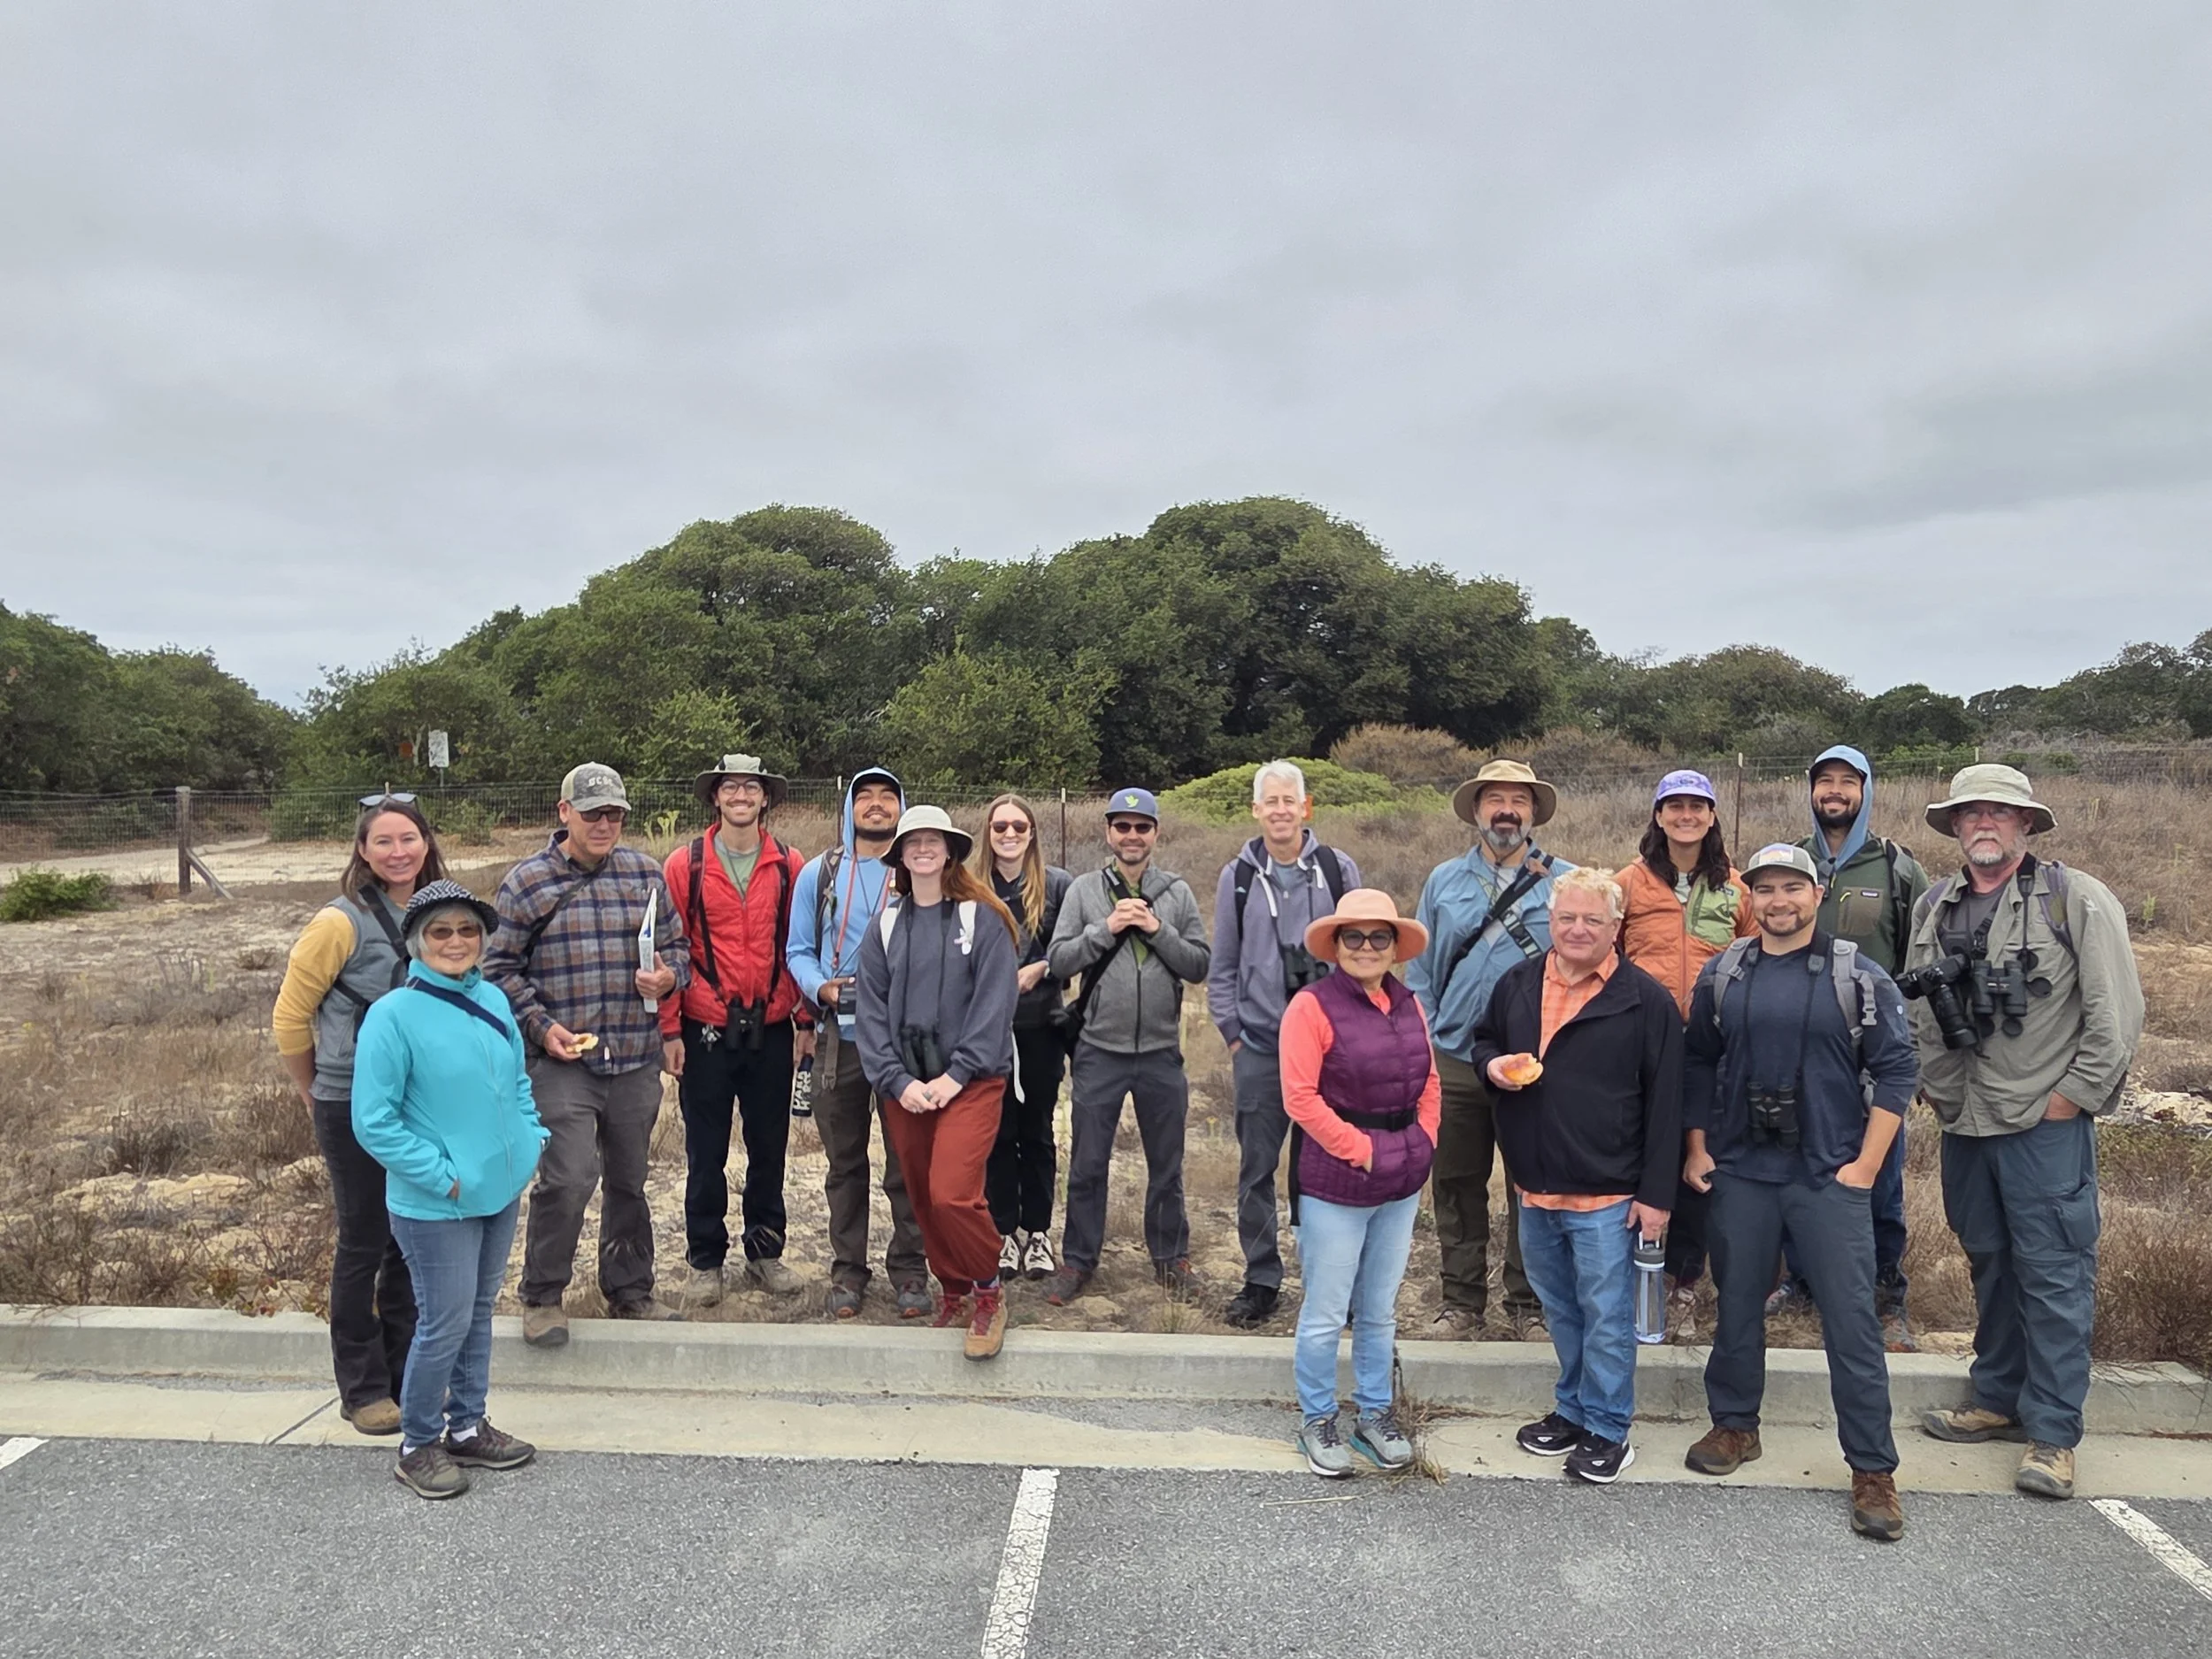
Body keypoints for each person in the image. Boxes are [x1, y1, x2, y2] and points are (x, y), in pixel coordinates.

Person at [1908, 764, 2144, 1502]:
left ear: (2026, 825)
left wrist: (2075, 1096)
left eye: (2000, 813)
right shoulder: (1934, 905)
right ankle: (1995, 1396)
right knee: (1991, 1262)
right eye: (1970, 812)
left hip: (2043, 1122)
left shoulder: (2074, 899)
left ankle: (2053, 1433)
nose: (1985, 822)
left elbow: (2116, 1009)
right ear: (1954, 826)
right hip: (1966, 1121)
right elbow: (1919, 1007)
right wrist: (1929, 1084)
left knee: (2054, 1272)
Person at [1680, 844, 1918, 1541]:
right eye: (1766, 889)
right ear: (1750, 898)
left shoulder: (1859, 975)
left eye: (1792, 887)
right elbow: (1699, 1060)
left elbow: (1899, 1071)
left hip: (1828, 1175)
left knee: (1849, 1320)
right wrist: (1698, 1147)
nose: (1779, 900)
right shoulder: (1723, 973)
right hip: (1745, 1174)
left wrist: (1867, 1168)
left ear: (1817, 894)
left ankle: (1873, 1467)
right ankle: (1734, 1425)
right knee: (1737, 1308)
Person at [1475, 867, 1682, 1486]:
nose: (1578, 928)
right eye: (1567, 917)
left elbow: (1667, 1101)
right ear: (1550, 919)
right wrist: (1494, 1066)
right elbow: (1482, 1039)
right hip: (1535, 1184)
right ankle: (1572, 1409)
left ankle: (1609, 1429)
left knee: (1606, 1314)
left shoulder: (1645, 1000)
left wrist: (1656, 1194)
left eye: (1593, 919)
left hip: (1608, 1191)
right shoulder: (1517, 983)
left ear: (1616, 926)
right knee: (1561, 1306)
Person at [351, 879, 549, 1500]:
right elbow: (373, 1121)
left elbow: (516, 1080)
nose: (456, 941)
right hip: (435, 1202)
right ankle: (417, 1442)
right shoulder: (393, 1016)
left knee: (479, 1311)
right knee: (444, 1319)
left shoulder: (492, 998)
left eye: (468, 930)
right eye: (441, 931)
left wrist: (530, 1137)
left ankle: (466, 1424)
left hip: (497, 1189)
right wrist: (443, 1174)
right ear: (416, 942)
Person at [483, 763, 688, 1346]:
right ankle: (543, 1295)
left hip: (632, 1056)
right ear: (564, 811)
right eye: (593, 812)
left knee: (629, 1179)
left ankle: (630, 1291)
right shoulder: (527, 881)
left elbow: (680, 949)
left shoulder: (646, 873)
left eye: (615, 814)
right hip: (561, 1061)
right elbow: (497, 970)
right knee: (570, 1176)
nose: (605, 823)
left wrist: (669, 977)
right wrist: (542, 1028)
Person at [272, 794, 449, 1436]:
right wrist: (312, 1087)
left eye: (409, 839)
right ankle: (363, 1386)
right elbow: (291, 1015)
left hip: (423, 1101)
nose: (398, 852)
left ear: (427, 843)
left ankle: (409, 1377)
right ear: (362, 850)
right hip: (351, 1099)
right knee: (364, 1239)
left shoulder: (441, 911)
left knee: (411, 1240)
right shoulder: (338, 922)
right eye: (384, 841)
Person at [1404, 759, 1570, 1340]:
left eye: (1518, 800)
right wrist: (1421, 1040)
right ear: (1476, 811)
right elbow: (1419, 971)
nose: (1506, 809)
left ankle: (1529, 1304)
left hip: (1533, 1062)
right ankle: (1462, 1300)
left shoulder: (1565, 882)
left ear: (1533, 812)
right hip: (1452, 1056)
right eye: (1494, 798)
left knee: (1533, 1185)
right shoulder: (1442, 881)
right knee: (1455, 1180)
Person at [1773, 744, 1932, 1347]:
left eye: (1847, 781)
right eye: (1824, 781)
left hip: (1870, 1059)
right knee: (1795, 1171)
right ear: (1810, 790)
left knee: (1881, 1178)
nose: (1834, 791)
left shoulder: (1896, 868)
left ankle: (1887, 1295)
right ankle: (1803, 1284)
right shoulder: (1789, 862)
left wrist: (1909, 1058)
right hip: (1794, 1053)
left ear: (1866, 790)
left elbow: (1919, 966)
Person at [1280, 890, 1438, 1479]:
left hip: (1402, 1176)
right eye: (1355, 937)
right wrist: (1363, 1150)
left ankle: (1375, 1414)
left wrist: (1424, 1140)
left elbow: (1429, 1081)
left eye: (1379, 937)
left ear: (1395, 946)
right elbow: (1300, 1097)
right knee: (1325, 1310)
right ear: (1337, 944)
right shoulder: (1311, 1006)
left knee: (1378, 1308)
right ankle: (1317, 1417)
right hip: (1336, 1181)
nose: (1367, 948)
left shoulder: (1410, 1003)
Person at [856, 806, 1022, 1360]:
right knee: (924, 1197)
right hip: (906, 1086)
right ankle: (952, 1289)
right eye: (913, 841)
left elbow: (994, 1005)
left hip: (970, 1082)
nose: (924, 849)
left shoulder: (983, 919)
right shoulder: (884, 927)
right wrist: (896, 1080)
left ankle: (989, 1292)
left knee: (954, 1193)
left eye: (934, 840)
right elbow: (871, 1013)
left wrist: (955, 1075)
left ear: (949, 851)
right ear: (900, 855)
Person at [1042, 788, 1212, 1304]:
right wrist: (1107, 928)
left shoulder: (1177, 893)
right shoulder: (1085, 891)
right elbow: (1060, 960)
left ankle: (1169, 1257)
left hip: (1161, 1052)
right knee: (1089, 1163)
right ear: (1109, 833)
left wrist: (1156, 930)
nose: (1132, 836)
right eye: (1122, 826)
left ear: (1156, 833)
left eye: (1142, 827)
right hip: (1098, 1051)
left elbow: (1200, 964)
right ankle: (1077, 1261)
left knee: (1167, 1163)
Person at [1208, 760, 1360, 1329]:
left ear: (1306, 807)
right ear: (1255, 810)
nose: (1279, 810)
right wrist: (1234, 1035)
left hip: (1331, 1052)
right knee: (1257, 1169)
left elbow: (1362, 953)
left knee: (1330, 1168)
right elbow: (1222, 966)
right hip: (1262, 1049)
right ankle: (1261, 1278)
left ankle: (1332, 1281)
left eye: (1287, 800)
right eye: (1268, 801)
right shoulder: (1238, 877)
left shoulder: (1338, 871)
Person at [660, 755, 811, 1308]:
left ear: (765, 798)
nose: (741, 795)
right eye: (731, 787)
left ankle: (765, 1253)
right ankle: (705, 1260)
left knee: (768, 1147)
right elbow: (671, 951)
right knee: (706, 1150)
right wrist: (670, 1029)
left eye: (752, 787)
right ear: (715, 798)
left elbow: (800, 948)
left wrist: (805, 1020)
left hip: (771, 1024)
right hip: (705, 1025)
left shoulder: (791, 864)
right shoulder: (686, 864)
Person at [1613, 769, 1758, 1340]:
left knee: (1700, 1162)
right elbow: (1607, 949)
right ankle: (1632, 1272)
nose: (1686, 816)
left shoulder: (1736, 887)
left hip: (1710, 1044)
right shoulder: (1628, 881)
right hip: (1643, 1040)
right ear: (1658, 815)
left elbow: (1755, 956)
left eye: (1697, 806)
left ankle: (1685, 1281)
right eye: (1675, 806)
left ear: (1712, 815)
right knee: (1641, 1150)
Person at [787, 767, 932, 1318]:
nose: (875, 805)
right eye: (864, 796)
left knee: (907, 1164)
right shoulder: (819, 875)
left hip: (905, 1046)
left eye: (887, 796)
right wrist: (818, 986)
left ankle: (912, 1273)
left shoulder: (921, 869)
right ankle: (848, 1273)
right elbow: (797, 949)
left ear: (902, 807)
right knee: (845, 1166)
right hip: (838, 1040)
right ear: (848, 807)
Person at [972, 793, 1072, 1281]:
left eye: (1018, 827)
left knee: (1037, 1133)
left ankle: (1037, 1233)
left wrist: (1041, 967)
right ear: (987, 834)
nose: (1009, 835)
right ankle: (1002, 1232)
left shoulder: (1057, 886)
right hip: (985, 1034)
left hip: (1039, 1028)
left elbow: (1077, 949)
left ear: (1032, 833)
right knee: (995, 1133)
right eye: (1000, 828)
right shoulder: (969, 889)